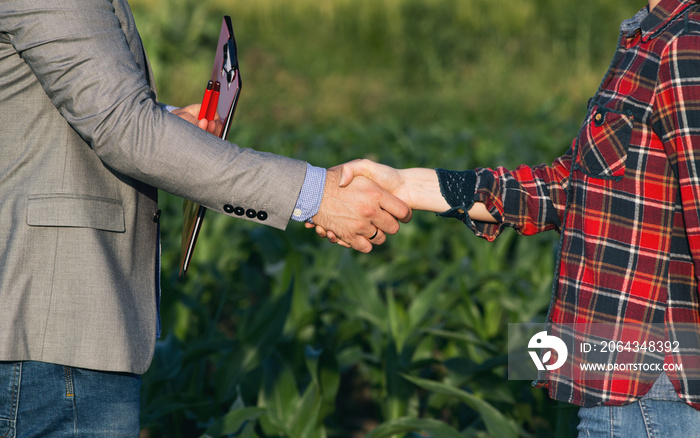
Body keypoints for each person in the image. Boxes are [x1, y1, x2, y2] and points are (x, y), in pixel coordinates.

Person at [0, 0, 411, 436]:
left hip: (53, 335)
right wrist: (315, 194)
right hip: (55, 330)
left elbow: (66, 103)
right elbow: (126, 131)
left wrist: (166, 120)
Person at [314, 0, 700, 435]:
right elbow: (567, 188)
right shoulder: (646, 39)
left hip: (656, 389)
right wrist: (406, 186)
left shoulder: (686, 45)